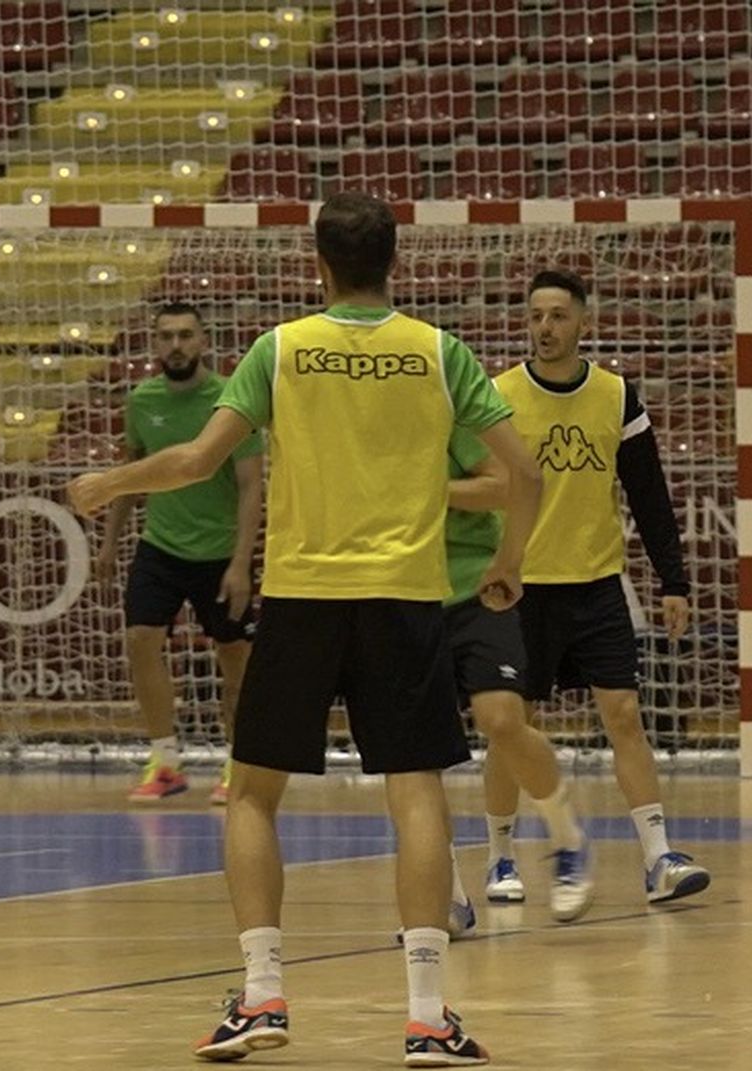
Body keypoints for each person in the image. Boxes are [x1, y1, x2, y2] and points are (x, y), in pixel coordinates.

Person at [68, 192, 541, 1066]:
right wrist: (506, 562)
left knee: (251, 792)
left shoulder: (279, 349)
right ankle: (429, 1015)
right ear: (393, 262)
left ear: (317, 264)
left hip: (306, 596)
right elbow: (523, 472)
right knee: (417, 788)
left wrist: (114, 480)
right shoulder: (441, 353)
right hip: (405, 600)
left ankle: (261, 997)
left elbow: (200, 460)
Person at [484, 269, 708, 906]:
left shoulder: (616, 396)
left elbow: (649, 494)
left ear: (584, 323)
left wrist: (673, 580)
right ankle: (501, 858)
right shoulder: (499, 397)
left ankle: (658, 857)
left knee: (625, 715)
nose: (545, 328)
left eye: (557, 316)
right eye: (535, 317)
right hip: (522, 591)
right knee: (511, 726)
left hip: (596, 584)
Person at [93, 301, 263, 805]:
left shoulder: (232, 401)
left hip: (219, 552)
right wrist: (108, 542)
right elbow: (132, 473)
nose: (176, 345)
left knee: (234, 657)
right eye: (166, 336)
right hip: (160, 546)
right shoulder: (142, 401)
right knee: (140, 638)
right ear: (154, 344)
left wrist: (239, 563)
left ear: (204, 341)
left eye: (186, 335)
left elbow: (252, 486)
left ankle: (239, 762)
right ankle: (165, 760)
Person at [442, 429, 594, 925]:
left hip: (476, 585)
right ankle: (445, 890)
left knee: (502, 718)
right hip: (400, 591)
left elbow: (508, 484)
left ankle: (566, 837)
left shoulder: (449, 408)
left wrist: (427, 490)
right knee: (413, 753)